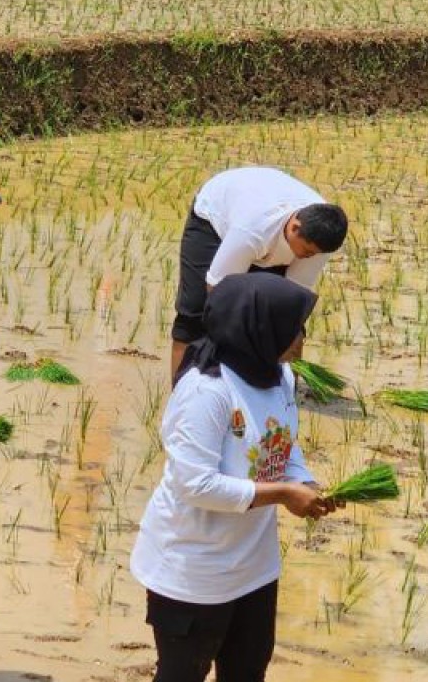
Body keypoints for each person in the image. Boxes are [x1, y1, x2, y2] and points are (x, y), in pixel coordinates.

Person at [133, 273, 344, 682]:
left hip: (254, 567)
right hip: (193, 568)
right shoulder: (206, 392)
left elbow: (283, 443)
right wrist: (283, 493)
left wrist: (305, 483)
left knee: (247, 673)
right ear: (259, 330)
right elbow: (195, 485)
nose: (301, 338)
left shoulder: (280, 376)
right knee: (182, 674)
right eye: (293, 328)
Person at [170, 166, 348, 379]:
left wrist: (290, 334)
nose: (308, 257)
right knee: (194, 316)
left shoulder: (320, 241)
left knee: (285, 330)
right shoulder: (252, 231)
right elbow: (217, 289)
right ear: (294, 227)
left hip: (268, 223)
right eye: (307, 251)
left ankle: (282, 392)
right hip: (214, 220)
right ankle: (182, 387)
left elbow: (292, 298)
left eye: (315, 254)